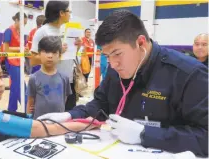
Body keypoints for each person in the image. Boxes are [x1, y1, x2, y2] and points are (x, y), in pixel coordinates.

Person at [37, 10, 208, 157]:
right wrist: (69, 115)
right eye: (107, 56)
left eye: (117, 53)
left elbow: (205, 137)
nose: (112, 64)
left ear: (140, 43)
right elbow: (100, 104)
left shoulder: (189, 75)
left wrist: (145, 134)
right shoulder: (115, 70)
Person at [0, 46, 98, 150]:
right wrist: (85, 125)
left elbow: (9, 117)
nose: (1, 84)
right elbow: (38, 128)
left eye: (1, 76)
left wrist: (33, 116)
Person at [30, 1, 81, 111]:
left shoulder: (67, 30)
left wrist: (77, 47)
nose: (70, 14)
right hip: (50, 82)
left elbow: (69, 56)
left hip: (68, 81)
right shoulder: (42, 31)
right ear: (61, 13)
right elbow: (33, 60)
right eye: (69, 11)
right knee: (51, 119)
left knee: (68, 117)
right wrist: (56, 52)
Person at [27, 36, 72, 119]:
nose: (50, 56)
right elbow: (30, 102)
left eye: (54, 52)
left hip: (58, 122)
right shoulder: (34, 78)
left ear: (59, 55)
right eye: (46, 52)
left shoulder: (64, 78)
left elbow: (64, 99)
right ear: (39, 54)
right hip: (39, 123)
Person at [2, 12, 28, 112]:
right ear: (16, 20)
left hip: (19, 62)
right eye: (22, 23)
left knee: (19, 86)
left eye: (25, 24)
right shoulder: (9, 31)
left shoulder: (20, 33)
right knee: (18, 86)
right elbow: (6, 49)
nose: (23, 26)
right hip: (11, 62)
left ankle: (18, 108)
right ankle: (17, 109)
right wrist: (20, 48)